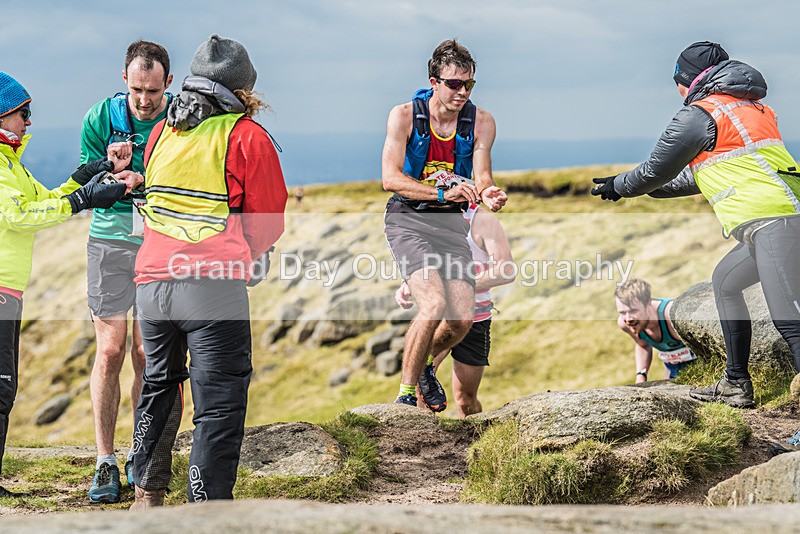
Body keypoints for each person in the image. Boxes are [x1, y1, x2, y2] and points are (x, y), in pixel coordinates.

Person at [591, 41, 800, 411]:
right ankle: (735, 383)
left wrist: (621, 186)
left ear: (686, 80)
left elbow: (655, 170)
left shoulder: (700, 114)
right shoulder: (752, 108)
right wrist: (650, 189)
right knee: (725, 282)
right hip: (776, 219)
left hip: (775, 221)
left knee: (791, 324)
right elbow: (702, 174)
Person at [130, 35, 287, 508]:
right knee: (218, 404)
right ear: (243, 89)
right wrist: (246, 254)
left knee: (158, 387)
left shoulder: (163, 131)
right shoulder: (246, 135)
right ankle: (207, 509)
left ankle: (146, 497)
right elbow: (268, 221)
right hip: (211, 287)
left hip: (152, 283)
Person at [0, 72, 134, 497]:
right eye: (23, 113)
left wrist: (89, 175)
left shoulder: (10, 164)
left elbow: (45, 200)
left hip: (9, 289)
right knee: (1, 388)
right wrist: (83, 200)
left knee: (4, 388)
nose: (29, 121)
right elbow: (20, 217)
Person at [382, 39, 507, 411]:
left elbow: (482, 175)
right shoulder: (404, 116)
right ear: (433, 82)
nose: (463, 92)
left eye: (469, 84)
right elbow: (390, 178)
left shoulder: (481, 122)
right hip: (409, 219)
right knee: (434, 303)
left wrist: (489, 192)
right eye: (454, 84)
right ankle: (406, 396)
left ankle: (423, 365)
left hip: (451, 223)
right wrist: (440, 194)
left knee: (461, 319)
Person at [80, 39, 174, 505]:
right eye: (137, 89)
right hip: (109, 243)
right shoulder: (100, 117)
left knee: (147, 353)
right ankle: (104, 459)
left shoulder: (180, 119)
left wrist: (144, 181)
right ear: (125, 80)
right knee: (111, 349)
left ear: (168, 83)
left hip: (159, 243)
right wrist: (109, 173)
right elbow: (84, 181)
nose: (144, 100)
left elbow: (186, 181)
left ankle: (142, 451)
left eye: (153, 91)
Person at [395, 203, 514, 417]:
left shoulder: (482, 220)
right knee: (423, 393)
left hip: (476, 319)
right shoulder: (427, 215)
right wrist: (409, 283)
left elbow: (506, 271)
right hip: (439, 319)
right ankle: (422, 435)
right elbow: (421, 262)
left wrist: (460, 285)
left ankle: (471, 436)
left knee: (465, 399)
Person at [614, 279, 696, 383]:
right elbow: (643, 345)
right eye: (622, 312)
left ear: (648, 303)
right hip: (673, 367)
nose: (628, 319)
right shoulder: (625, 324)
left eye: (633, 311)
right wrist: (641, 376)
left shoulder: (671, 316)